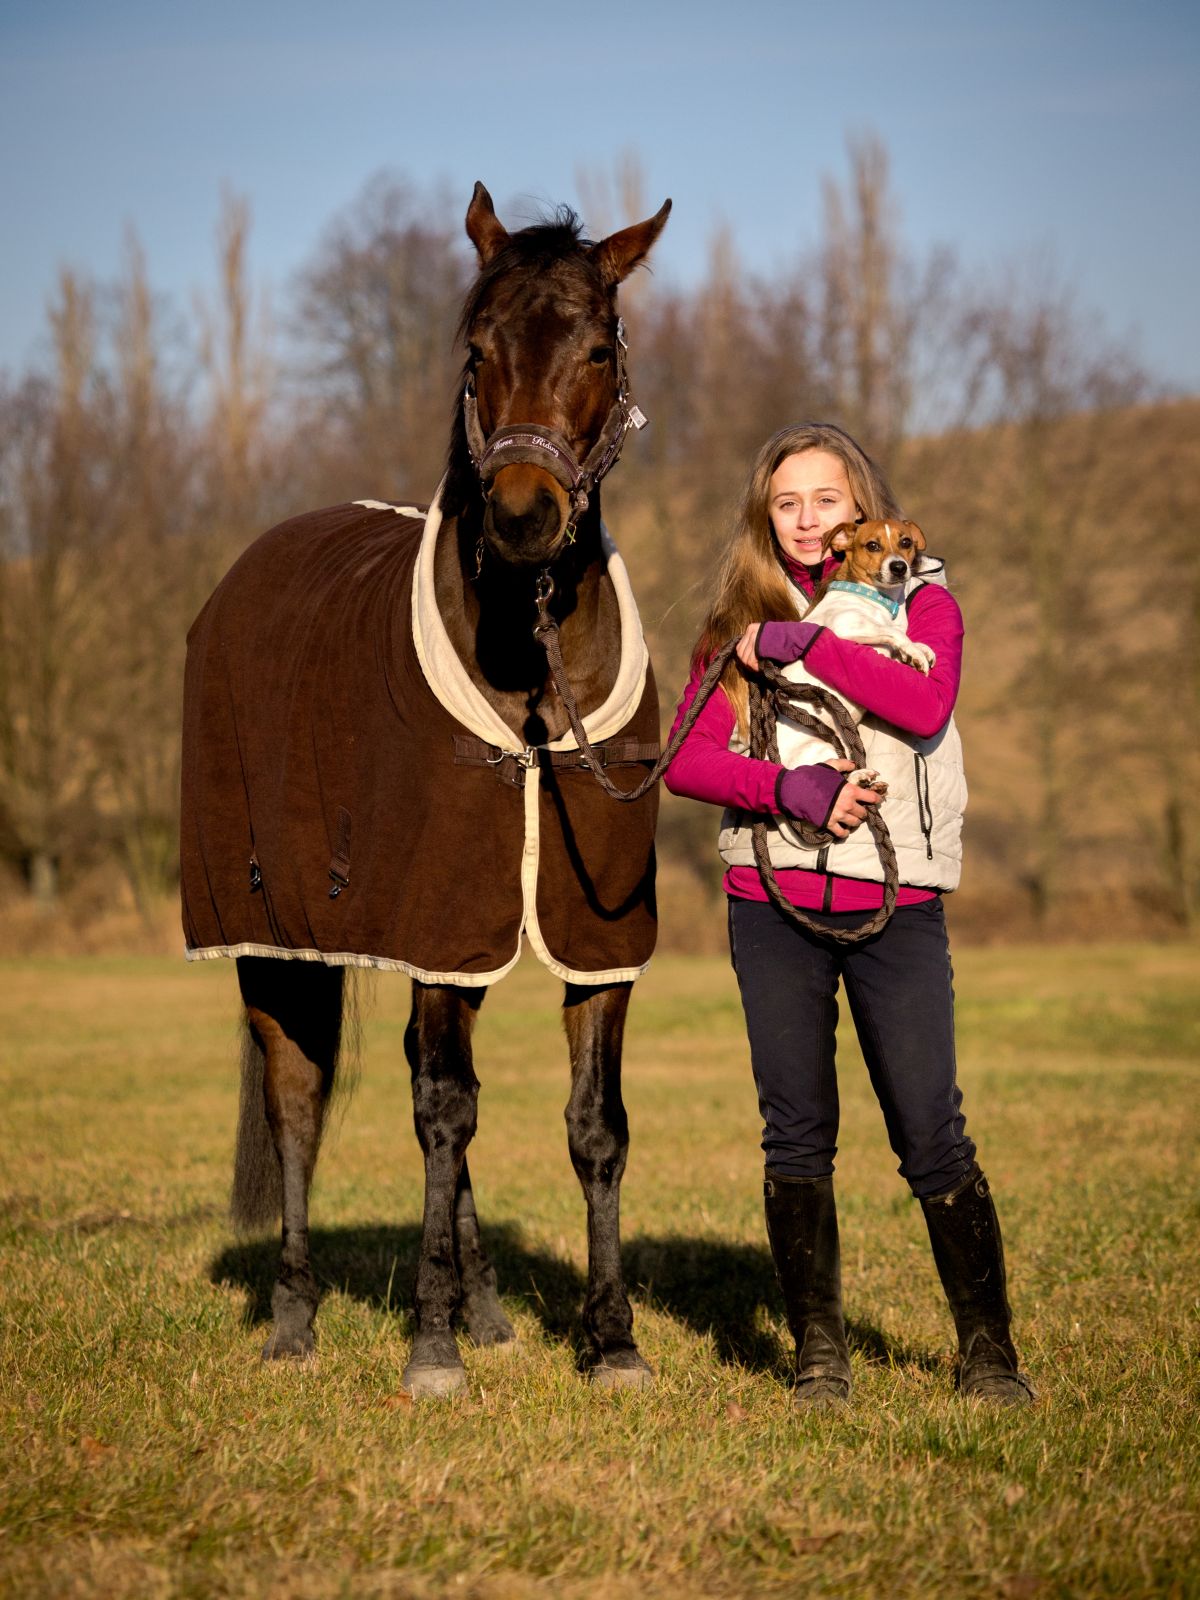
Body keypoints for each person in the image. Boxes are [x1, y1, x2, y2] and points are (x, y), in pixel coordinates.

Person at [664, 421, 1034, 1408]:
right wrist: (791, 788)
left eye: (823, 499)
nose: (804, 518)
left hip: (897, 903)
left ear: (859, 512)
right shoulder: (734, 625)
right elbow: (687, 760)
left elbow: (922, 707)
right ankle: (819, 1355)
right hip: (771, 901)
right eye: (785, 502)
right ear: (766, 513)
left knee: (931, 1130)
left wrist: (808, 646)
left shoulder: (929, 604)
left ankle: (989, 1352)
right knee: (796, 1132)